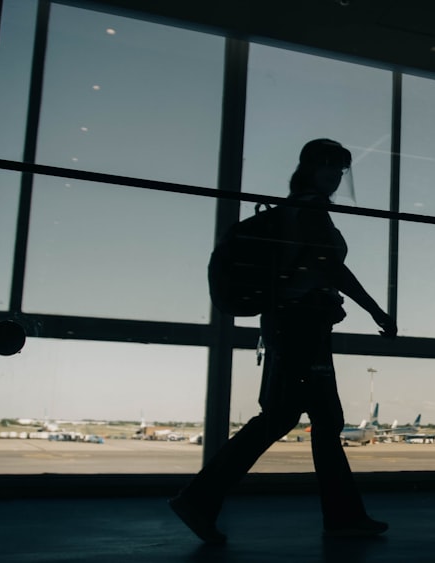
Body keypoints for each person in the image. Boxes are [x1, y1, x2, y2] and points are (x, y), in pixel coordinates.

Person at [170, 138, 397, 544]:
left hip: (288, 326)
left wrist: (354, 306)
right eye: (326, 163)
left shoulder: (297, 212)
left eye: (340, 168)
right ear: (308, 167)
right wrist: (371, 309)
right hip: (301, 330)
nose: (333, 173)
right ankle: (339, 516)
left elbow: (324, 269)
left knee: (286, 418)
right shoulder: (309, 211)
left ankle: (201, 499)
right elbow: (330, 269)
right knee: (320, 421)